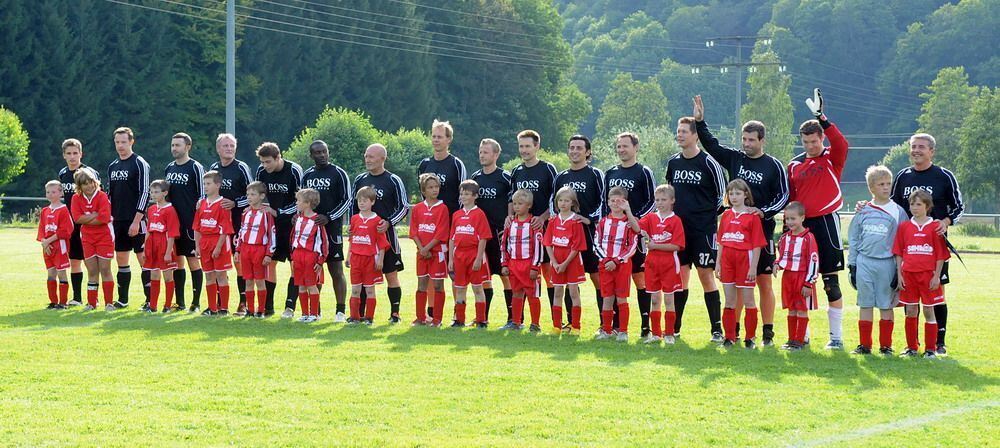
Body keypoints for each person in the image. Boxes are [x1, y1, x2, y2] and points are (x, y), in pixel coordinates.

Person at [693, 95, 788, 345]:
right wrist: (700, 123)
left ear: (761, 140)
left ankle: (767, 331)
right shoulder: (736, 158)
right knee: (735, 287)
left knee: (763, 283)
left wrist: (763, 211)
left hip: (760, 234)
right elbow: (712, 146)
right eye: (744, 139)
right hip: (735, 236)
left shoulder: (773, 165)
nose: (746, 144)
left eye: (751, 140)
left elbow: (784, 195)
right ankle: (733, 333)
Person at [888, 133, 963, 356]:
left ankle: (939, 343)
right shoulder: (903, 176)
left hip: (934, 248)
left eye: (922, 147)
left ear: (932, 151)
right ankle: (912, 345)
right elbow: (892, 207)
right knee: (910, 300)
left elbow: (958, 207)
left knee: (937, 295)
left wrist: (946, 221)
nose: (916, 151)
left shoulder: (943, 176)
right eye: (913, 147)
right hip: (909, 247)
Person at [786, 89, 850, 350]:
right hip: (801, 228)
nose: (810, 146)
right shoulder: (793, 165)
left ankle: (836, 337)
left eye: (814, 141)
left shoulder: (831, 158)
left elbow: (841, 143)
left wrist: (822, 117)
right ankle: (803, 335)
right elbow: (791, 199)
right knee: (801, 282)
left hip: (826, 224)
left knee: (830, 282)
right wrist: (787, 229)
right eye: (806, 142)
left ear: (821, 139)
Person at [667, 119, 726, 342]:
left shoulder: (710, 163)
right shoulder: (673, 163)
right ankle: (675, 327)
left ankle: (716, 329)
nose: (679, 135)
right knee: (680, 277)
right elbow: (669, 194)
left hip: (703, 230)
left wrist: (706, 218)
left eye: (684, 132)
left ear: (695, 136)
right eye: (678, 131)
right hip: (679, 231)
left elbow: (722, 197)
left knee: (705, 275)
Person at [848, 166, 907, 355]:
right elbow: (854, 238)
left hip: (887, 263)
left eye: (888, 184)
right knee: (865, 304)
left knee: (886, 304)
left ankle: (886, 346)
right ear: (871, 188)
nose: (886, 187)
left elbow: (903, 242)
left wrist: (900, 270)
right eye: (881, 184)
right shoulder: (863, 210)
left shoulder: (898, 211)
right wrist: (853, 264)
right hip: (865, 261)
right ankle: (865, 345)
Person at [603, 132, 656, 336]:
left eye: (625, 146)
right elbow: (603, 201)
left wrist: (634, 219)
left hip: (635, 233)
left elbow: (652, 201)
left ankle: (645, 327)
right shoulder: (611, 173)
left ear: (636, 148)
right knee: (613, 280)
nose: (622, 150)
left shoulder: (643, 172)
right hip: (614, 236)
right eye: (619, 146)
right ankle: (614, 327)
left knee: (640, 279)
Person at [552, 135, 604, 330]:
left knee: (596, 277)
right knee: (567, 280)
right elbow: (553, 202)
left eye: (579, 148)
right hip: (565, 239)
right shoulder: (561, 177)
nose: (574, 151)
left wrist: (589, 218)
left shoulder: (595, 174)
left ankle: (606, 322)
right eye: (571, 147)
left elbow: (604, 202)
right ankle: (571, 322)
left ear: (587, 152)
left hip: (590, 235)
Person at [352, 144, 409, 323]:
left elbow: (404, 207)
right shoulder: (360, 179)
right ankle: (359, 315)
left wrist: (389, 222)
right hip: (363, 242)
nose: (367, 159)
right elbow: (354, 209)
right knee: (360, 277)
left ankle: (395, 314)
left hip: (387, 239)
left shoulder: (393, 180)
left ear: (382, 159)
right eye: (366, 156)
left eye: (371, 157)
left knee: (391, 274)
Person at [893, 190, 949, 358]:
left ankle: (930, 349)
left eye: (918, 204)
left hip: (927, 275)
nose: (914, 208)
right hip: (909, 275)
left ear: (927, 206)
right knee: (910, 310)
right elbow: (899, 252)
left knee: (928, 310)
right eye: (912, 204)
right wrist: (900, 274)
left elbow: (941, 255)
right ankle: (911, 347)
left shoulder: (935, 227)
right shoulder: (904, 226)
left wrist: (936, 276)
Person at [507, 130, 558, 310]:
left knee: (547, 273)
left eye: (528, 146)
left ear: (537, 146)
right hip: (521, 232)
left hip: (542, 228)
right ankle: (518, 319)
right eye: (521, 146)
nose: (524, 150)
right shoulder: (517, 171)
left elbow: (556, 197)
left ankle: (556, 319)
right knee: (522, 275)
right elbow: (510, 197)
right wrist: (509, 217)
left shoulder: (547, 169)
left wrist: (543, 217)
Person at [302, 140, 351, 322]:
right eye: (317, 153)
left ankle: (340, 311)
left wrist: (329, 216)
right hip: (311, 231)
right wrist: (300, 216)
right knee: (313, 270)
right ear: (311, 155)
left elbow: (347, 200)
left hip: (332, 230)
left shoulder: (338, 173)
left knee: (336, 270)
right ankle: (315, 310)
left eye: (324, 151)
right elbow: (302, 199)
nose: (322, 155)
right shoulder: (307, 175)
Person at [716, 180, 767, 349]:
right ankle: (730, 337)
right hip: (727, 261)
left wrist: (753, 267)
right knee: (729, 300)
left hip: (745, 260)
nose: (734, 197)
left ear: (746, 194)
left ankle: (750, 337)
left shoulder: (752, 217)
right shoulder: (726, 215)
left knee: (748, 300)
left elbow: (757, 244)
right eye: (731, 194)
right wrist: (718, 264)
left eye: (738, 193)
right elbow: (721, 242)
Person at [254, 142, 303, 318]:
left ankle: (290, 307)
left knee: (295, 264)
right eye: (262, 162)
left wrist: (279, 211)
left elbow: (301, 199)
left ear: (278, 157)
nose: (265, 166)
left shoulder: (294, 170)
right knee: (269, 263)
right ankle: (268, 307)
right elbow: (258, 194)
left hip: (291, 225)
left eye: (268, 162)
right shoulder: (261, 172)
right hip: (271, 225)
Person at [471, 139, 514, 326]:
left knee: (506, 275)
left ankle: (513, 318)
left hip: (500, 234)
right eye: (480, 151)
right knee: (483, 277)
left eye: (486, 152)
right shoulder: (475, 178)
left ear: (496, 155)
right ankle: (482, 318)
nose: (482, 155)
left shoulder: (505, 177)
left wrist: (509, 220)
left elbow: (513, 201)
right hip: (481, 237)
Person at [107, 126, 151, 308]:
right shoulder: (113, 166)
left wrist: (136, 220)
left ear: (131, 142)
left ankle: (150, 300)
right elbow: (110, 194)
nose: (120, 146)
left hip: (136, 221)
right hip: (118, 221)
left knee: (144, 260)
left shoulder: (140, 163)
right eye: (117, 142)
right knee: (121, 260)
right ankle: (123, 299)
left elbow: (145, 193)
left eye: (124, 142)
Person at [209, 134, 253, 314]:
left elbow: (253, 194)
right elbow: (209, 190)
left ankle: (244, 302)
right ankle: (219, 303)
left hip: (236, 222)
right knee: (217, 263)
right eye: (225, 146)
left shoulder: (241, 168)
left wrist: (236, 203)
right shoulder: (214, 168)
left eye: (232, 145)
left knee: (238, 262)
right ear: (218, 148)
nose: (229, 148)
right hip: (216, 225)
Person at [161, 132, 205, 312]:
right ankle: (180, 303)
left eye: (178, 145)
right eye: (172, 145)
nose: (174, 148)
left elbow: (203, 196)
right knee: (177, 263)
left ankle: (195, 303)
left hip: (189, 223)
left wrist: (199, 222)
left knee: (193, 261)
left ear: (187, 146)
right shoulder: (169, 168)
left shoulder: (195, 167)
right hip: (173, 223)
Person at [638, 184, 685, 344]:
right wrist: (628, 210)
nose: (660, 203)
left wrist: (655, 246)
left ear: (672, 200)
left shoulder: (676, 220)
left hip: (669, 264)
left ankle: (670, 333)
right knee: (655, 300)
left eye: (664, 199)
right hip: (651, 264)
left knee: (669, 300)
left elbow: (677, 246)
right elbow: (637, 227)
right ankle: (656, 334)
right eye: (657, 199)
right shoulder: (651, 217)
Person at [58, 138, 101, 306]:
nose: (72, 157)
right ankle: (77, 298)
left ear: (81, 154)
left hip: (87, 223)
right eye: (68, 153)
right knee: (74, 261)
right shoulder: (63, 173)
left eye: (75, 153)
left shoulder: (89, 173)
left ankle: (94, 298)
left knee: (90, 262)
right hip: (70, 225)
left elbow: (99, 196)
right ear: (64, 155)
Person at [594, 187, 640, 342]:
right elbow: (596, 244)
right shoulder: (603, 222)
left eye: (619, 201)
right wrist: (607, 260)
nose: (615, 203)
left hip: (622, 266)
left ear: (625, 202)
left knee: (621, 298)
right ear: (607, 202)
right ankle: (606, 330)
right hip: (605, 265)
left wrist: (617, 260)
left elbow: (632, 245)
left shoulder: (628, 224)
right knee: (607, 298)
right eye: (612, 200)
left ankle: (623, 331)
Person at [774, 202, 819, 351]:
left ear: (802, 218)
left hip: (802, 278)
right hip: (788, 278)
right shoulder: (784, 237)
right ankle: (791, 339)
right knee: (791, 309)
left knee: (801, 309)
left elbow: (814, 261)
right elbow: (782, 257)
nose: (790, 222)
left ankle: (800, 340)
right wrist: (776, 264)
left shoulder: (808, 237)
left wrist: (808, 283)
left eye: (793, 219)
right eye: (787, 219)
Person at [449, 180, 493, 328]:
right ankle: (459, 319)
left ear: (475, 196)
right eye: (462, 194)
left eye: (467, 194)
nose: (463, 197)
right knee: (460, 287)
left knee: (477, 288)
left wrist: (479, 258)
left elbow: (483, 238)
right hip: (459, 256)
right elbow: (452, 238)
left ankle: (481, 320)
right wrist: (450, 260)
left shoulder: (479, 214)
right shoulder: (456, 214)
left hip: (474, 254)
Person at [543, 187, 587, 335]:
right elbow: (548, 243)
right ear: (556, 202)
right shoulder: (553, 220)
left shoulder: (576, 221)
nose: (563, 203)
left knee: (574, 293)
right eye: (560, 200)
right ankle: (556, 327)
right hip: (556, 260)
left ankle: (576, 327)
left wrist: (564, 264)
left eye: (567, 200)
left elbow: (577, 247)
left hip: (571, 261)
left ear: (572, 203)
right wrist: (554, 263)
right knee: (557, 293)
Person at [69, 169, 115, 311]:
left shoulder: (102, 196)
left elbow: (104, 218)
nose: (89, 186)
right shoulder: (76, 198)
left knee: (105, 269)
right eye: (85, 184)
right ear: (79, 186)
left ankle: (109, 303)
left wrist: (87, 218)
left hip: (104, 237)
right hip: (87, 238)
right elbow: (77, 219)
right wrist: (95, 215)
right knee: (92, 271)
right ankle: (91, 303)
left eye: (91, 183)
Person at [409, 174, 450, 326]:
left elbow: (441, 233)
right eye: (430, 187)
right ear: (423, 191)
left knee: (438, 285)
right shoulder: (418, 208)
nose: (434, 190)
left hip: (436, 252)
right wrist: (421, 249)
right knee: (421, 285)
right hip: (421, 253)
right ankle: (420, 318)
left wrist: (426, 248)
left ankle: (437, 319)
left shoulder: (443, 208)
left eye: (436, 187)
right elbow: (413, 231)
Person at [500, 189, 544, 331]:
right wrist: (504, 263)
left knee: (532, 294)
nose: (516, 206)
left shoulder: (534, 223)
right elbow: (504, 244)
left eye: (520, 203)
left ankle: (535, 324)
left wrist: (535, 267)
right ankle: (516, 322)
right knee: (516, 292)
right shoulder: (510, 223)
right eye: (514, 203)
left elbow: (538, 247)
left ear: (529, 205)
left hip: (529, 264)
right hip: (514, 263)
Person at [346, 186, 390, 325]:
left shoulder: (377, 220)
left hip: (370, 260)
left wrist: (380, 260)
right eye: (359, 200)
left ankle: (369, 318)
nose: (361, 203)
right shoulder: (354, 219)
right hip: (356, 258)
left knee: (370, 290)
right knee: (355, 289)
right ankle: (354, 317)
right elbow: (352, 239)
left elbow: (381, 243)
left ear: (372, 202)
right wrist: (348, 256)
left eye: (365, 200)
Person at [193, 171, 235, 316]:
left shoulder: (223, 204)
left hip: (219, 242)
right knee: (209, 276)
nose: (205, 186)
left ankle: (224, 308)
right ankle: (212, 308)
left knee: (221, 275)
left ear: (218, 185)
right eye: (204, 184)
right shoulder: (201, 204)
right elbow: (196, 227)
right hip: (204, 242)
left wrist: (218, 248)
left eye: (208, 183)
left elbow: (225, 229)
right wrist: (197, 246)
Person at [235, 181, 275, 318]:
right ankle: (250, 310)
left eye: (253, 194)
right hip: (245, 250)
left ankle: (261, 310)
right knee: (248, 280)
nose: (249, 197)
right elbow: (241, 232)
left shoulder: (266, 213)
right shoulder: (245, 212)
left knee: (260, 280)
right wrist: (237, 250)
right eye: (247, 195)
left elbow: (272, 234)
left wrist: (269, 254)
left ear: (262, 196)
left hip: (259, 250)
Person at [289, 188, 329, 323]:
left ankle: (314, 314)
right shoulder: (297, 219)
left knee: (311, 285)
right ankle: (305, 313)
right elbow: (293, 237)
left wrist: (320, 261)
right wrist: (293, 255)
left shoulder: (317, 221)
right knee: (301, 285)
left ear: (307, 203)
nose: (296, 203)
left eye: (298, 201)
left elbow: (323, 242)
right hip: (298, 255)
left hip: (311, 256)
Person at [143, 180, 181, 313]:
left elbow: (172, 233)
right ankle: (153, 306)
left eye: (156, 192)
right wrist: (145, 247)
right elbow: (148, 229)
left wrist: (168, 251)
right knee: (154, 274)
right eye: (152, 192)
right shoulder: (151, 209)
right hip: (152, 244)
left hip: (164, 244)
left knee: (168, 276)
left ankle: (167, 305)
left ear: (165, 193)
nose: (153, 194)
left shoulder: (170, 210)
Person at [418, 119, 467, 214]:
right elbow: (423, 193)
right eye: (434, 136)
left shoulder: (456, 164)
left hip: (451, 219)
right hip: (430, 220)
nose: (436, 140)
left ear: (449, 139)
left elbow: (464, 195)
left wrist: (457, 218)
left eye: (439, 137)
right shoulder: (424, 164)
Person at [38, 180, 73, 309]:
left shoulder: (64, 210)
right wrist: (44, 243)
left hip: (59, 246)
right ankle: (53, 301)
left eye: (53, 192)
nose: (50, 194)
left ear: (60, 193)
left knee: (61, 273)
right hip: (48, 248)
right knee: (51, 273)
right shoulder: (45, 210)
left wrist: (48, 241)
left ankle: (63, 302)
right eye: (48, 192)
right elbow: (42, 229)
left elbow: (66, 230)